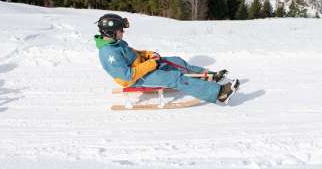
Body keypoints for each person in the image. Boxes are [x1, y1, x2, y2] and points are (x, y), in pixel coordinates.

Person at [94, 13, 239, 105]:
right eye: (120, 30)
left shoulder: (115, 43)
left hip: (143, 66)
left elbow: (132, 52)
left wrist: (148, 54)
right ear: (111, 32)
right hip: (136, 78)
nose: (123, 32)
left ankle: (207, 75)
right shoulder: (108, 53)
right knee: (174, 77)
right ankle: (219, 93)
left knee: (176, 61)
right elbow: (127, 76)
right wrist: (151, 64)